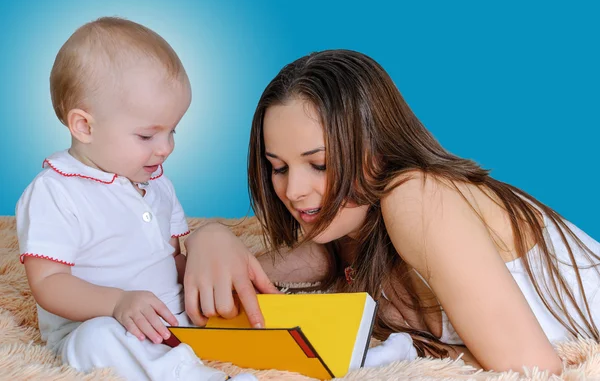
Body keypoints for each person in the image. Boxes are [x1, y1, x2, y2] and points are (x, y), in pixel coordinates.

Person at [183, 49, 600, 374]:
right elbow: (250, 278)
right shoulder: (346, 233)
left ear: (377, 150)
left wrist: (402, 352)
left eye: (321, 165)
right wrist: (209, 237)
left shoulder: (415, 195)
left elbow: (533, 368)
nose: (292, 190)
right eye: (278, 167)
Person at [16, 17, 256, 381]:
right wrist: (116, 303)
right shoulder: (56, 191)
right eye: (147, 136)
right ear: (84, 126)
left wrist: (200, 282)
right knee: (99, 341)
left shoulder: (157, 182)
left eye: (172, 130)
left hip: (170, 316)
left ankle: (357, 355)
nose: (166, 148)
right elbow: (48, 282)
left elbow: (172, 256)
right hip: (95, 324)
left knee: (245, 313)